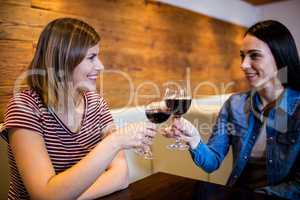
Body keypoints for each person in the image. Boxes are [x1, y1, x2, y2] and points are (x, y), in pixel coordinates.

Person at [0, 18, 156, 200]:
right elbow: (46, 195)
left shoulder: (96, 103)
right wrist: (115, 141)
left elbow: (121, 176)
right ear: (63, 60)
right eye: (91, 57)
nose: (101, 66)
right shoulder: (25, 107)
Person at [165, 20, 300, 200]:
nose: (243, 65)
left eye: (254, 55)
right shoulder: (234, 104)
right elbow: (211, 163)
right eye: (242, 56)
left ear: (280, 57)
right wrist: (195, 140)